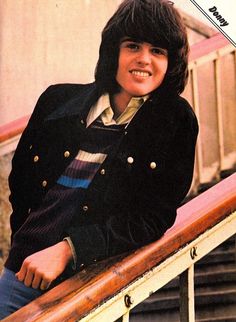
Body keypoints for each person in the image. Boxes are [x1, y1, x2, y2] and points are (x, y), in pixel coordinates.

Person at [0, 0, 198, 318]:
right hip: (23, 272)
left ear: (171, 60)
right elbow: (20, 180)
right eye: (133, 45)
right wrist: (28, 241)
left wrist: (70, 249)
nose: (144, 60)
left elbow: (154, 217)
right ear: (113, 50)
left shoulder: (175, 121)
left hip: (93, 280)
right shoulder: (56, 100)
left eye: (158, 50)